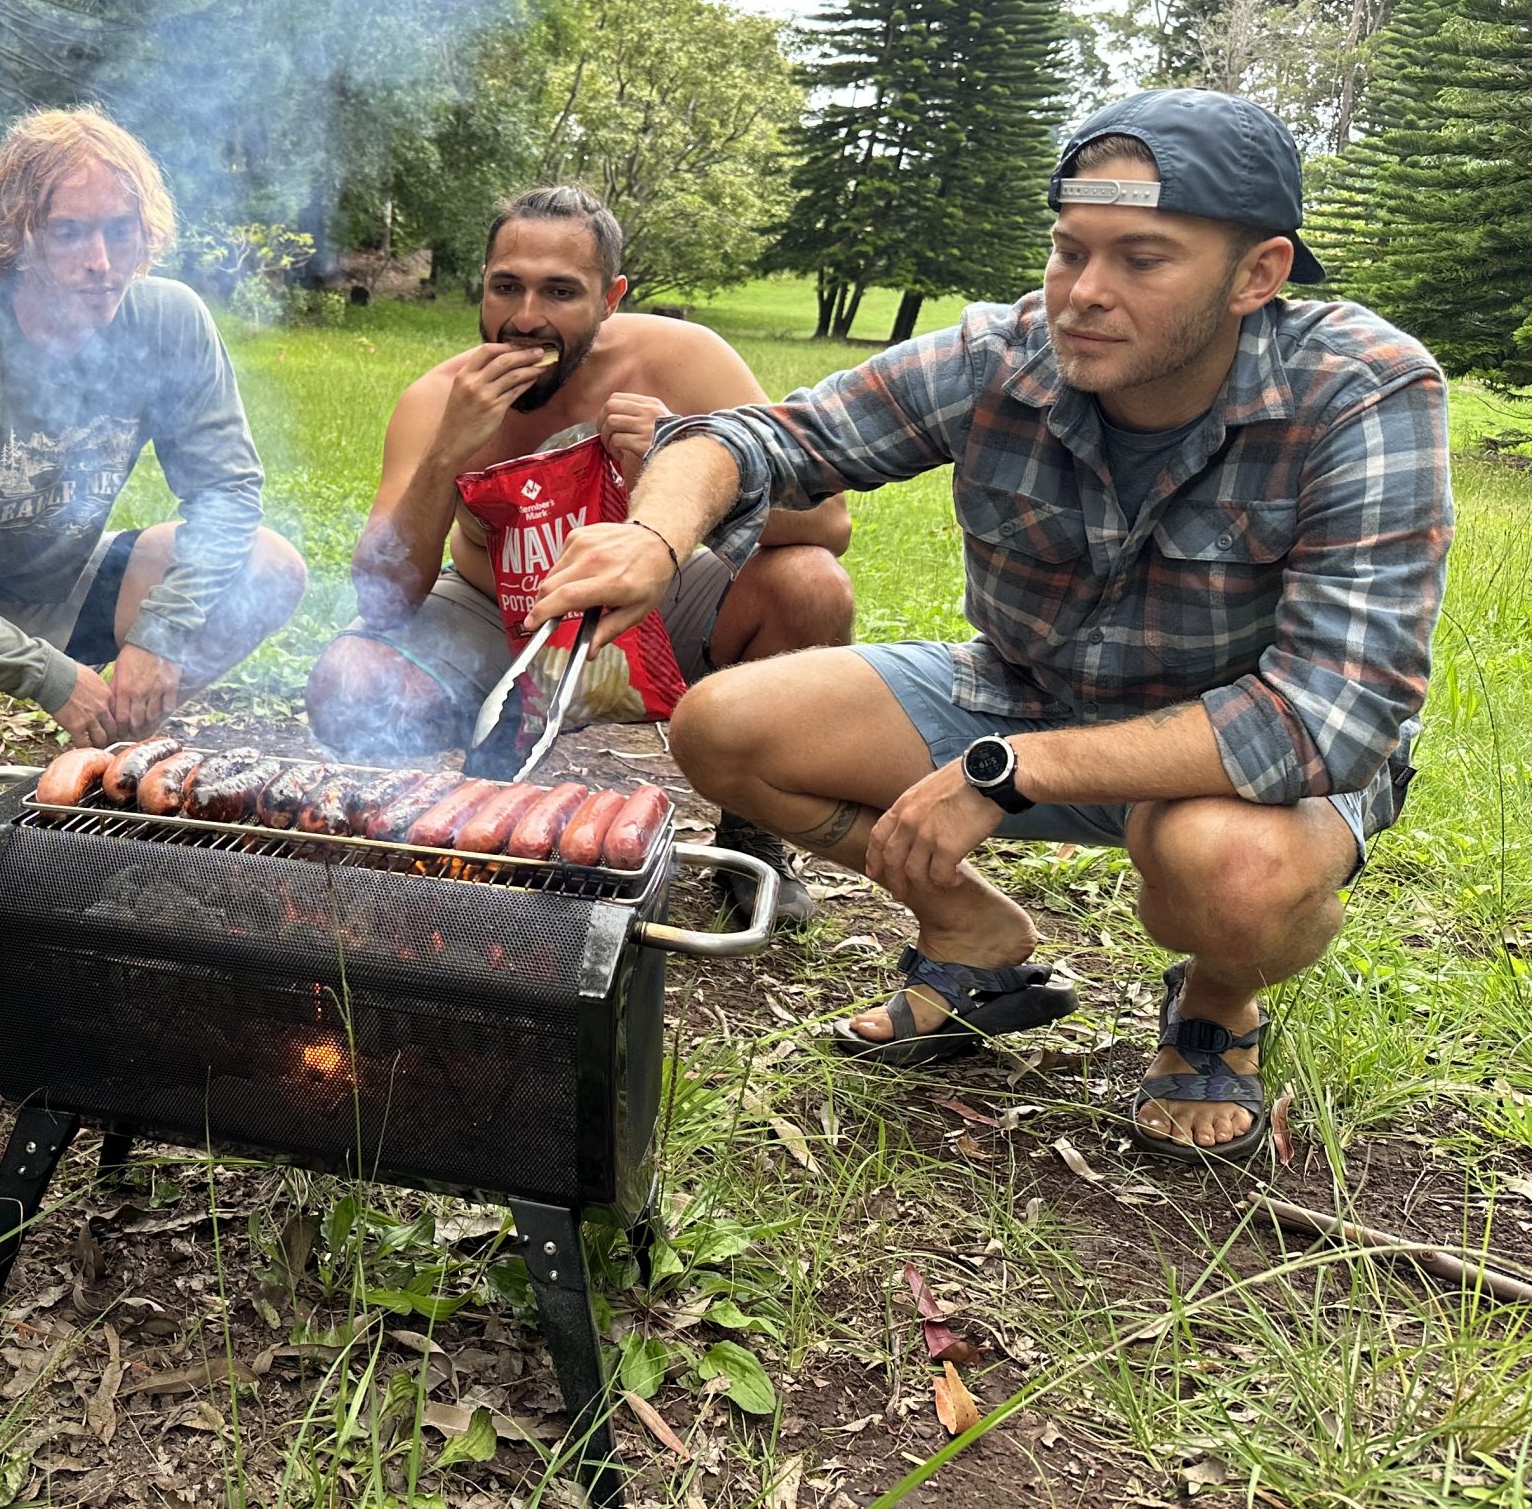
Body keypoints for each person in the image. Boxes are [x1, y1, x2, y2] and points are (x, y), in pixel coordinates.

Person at [527, 89, 1453, 1164]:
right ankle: (972, 935)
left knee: (1230, 871)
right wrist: (655, 535)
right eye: (1069, 252)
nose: (1083, 296)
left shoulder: (1362, 392)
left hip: (1231, 760)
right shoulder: (999, 357)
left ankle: (1216, 1003)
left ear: (1257, 276)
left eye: (1142, 260)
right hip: (1025, 690)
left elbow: (1330, 714)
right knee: (723, 728)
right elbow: (762, 439)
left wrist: (1001, 773)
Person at [304, 184, 854, 923]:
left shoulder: (683, 360)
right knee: (348, 677)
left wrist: (678, 471)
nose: (526, 319)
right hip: (495, 610)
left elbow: (827, 524)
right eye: (507, 287)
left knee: (811, 587)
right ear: (483, 286)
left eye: (560, 292)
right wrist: (443, 461)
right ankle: (426, 832)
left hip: (654, 597)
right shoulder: (439, 399)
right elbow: (381, 599)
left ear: (610, 297)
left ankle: (754, 838)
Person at [0, 107, 308, 794]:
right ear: (16, 237)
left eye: (120, 231)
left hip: (71, 577)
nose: (101, 263)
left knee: (270, 565)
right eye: (69, 232)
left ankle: (118, 759)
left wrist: (160, 632)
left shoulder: (168, 322)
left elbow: (227, 492)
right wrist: (48, 676)